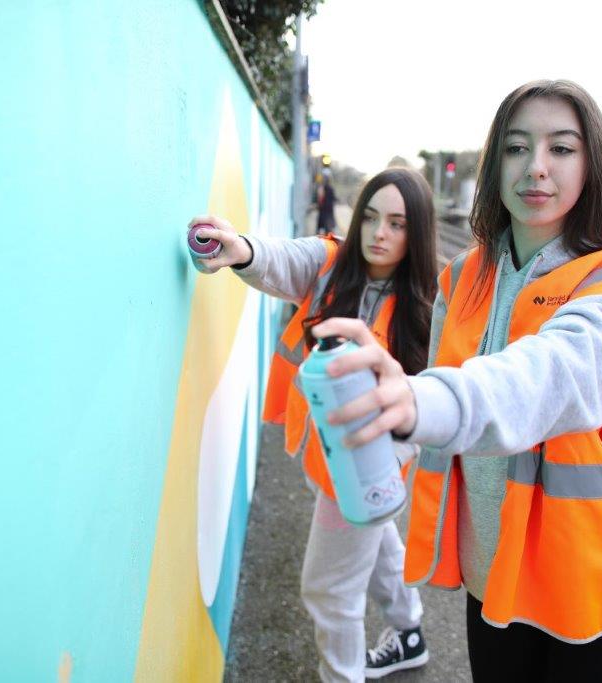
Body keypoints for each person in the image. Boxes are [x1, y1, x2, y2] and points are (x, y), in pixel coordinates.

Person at [312, 80, 602, 682]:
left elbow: (551, 375)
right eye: (515, 148)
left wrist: (417, 398)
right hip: (494, 582)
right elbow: (432, 404)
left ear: (593, 166)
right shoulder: (465, 275)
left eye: (561, 149)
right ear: (494, 163)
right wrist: (378, 438)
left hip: (590, 592)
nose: (535, 168)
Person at [187, 167, 439, 682]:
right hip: (332, 459)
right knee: (381, 538)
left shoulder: (426, 310)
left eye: (396, 223)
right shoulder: (333, 264)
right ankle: (408, 631)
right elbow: (285, 258)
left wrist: (387, 464)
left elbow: (430, 399)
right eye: (370, 217)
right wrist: (242, 249)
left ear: (417, 234)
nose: (378, 233)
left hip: (364, 472)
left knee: (328, 589)